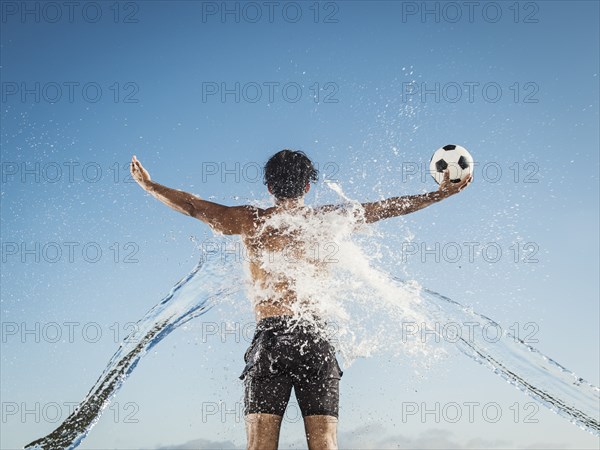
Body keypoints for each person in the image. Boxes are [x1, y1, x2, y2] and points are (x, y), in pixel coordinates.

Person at [130, 150, 471, 450]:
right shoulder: (325, 220)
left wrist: (150, 186)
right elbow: (384, 209)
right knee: (325, 445)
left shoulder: (253, 221)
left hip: (271, 340)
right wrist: (436, 196)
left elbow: (194, 206)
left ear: (269, 188)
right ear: (308, 186)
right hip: (315, 340)